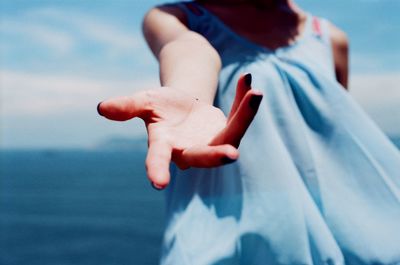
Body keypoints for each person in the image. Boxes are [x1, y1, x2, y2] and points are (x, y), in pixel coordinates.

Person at [97, 0, 400, 264]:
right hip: (231, 244)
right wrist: (189, 96)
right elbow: (189, 49)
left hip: (359, 239)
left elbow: (334, 147)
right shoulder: (179, 17)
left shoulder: (330, 38)